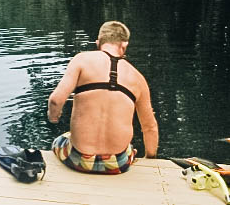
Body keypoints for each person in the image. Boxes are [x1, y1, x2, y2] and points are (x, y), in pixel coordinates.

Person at [47, 21, 158, 174]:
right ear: (124, 45)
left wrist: (54, 117)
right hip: (117, 164)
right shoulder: (138, 78)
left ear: (98, 43)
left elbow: (55, 100)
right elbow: (150, 127)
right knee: (130, 147)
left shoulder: (82, 60)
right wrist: (150, 159)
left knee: (61, 139)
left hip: (78, 159)